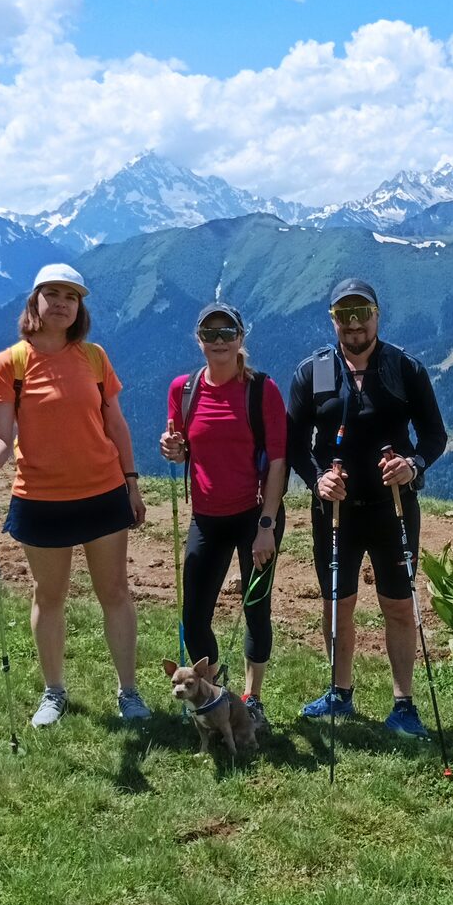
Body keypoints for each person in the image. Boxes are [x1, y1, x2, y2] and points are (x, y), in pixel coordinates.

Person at [0, 262, 152, 727]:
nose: (61, 302)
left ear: (79, 308)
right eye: (52, 293)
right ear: (34, 301)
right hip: (40, 496)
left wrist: (131, 482)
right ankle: (54, 692)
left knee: (114, 591)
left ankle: (128, 692)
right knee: (48, 594)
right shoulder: (8, 363)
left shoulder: (94, 358)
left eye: (70, 296)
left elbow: (115, 423)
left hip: (104, 489)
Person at [286, 277, 448, 738]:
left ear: (378, 315)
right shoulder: (314, 371)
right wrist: (317, 478)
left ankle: (403, 703)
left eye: (363, 313)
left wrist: (413, 465)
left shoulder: (403, 368)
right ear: (332, 319)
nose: (354, 324)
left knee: (398, 604)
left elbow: (434, 435)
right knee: (338, 603)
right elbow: (295, 443)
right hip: (335, 510)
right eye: (344, 315)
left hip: (392, 505)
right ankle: (340, 691)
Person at [159, 302, 289, 732]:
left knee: (255, 608)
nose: (218, 341)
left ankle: (252, 701)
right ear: (198, 340)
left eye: (226, 332)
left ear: (241, 338)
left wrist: (267, 526)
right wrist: (175, 450)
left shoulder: (261, 390)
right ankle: (215, 700)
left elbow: (277, 463)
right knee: (194, 616)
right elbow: (183, 446)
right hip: (206, 516)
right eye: (209, 333)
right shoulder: (183, 389)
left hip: (256, 515)